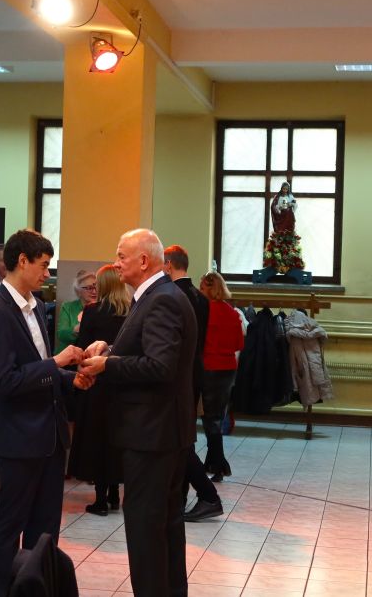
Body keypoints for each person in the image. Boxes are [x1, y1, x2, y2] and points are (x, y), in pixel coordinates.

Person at [80, 228, 197, 597]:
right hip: (162, 431)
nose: (116, 263)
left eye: (121, 256)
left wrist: (108, 365)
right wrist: (110, 349)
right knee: (164, 526)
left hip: (153, 434)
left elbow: (160, 366)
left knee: (147, 529)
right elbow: (147, 350)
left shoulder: (161, 300)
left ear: (143, 261)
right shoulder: (156, 295)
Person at [0, 229, 93, 597]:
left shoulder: (36, 305)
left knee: (45, 531)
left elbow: (39, 369)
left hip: (50, 435)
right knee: (9, 527)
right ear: (22, 261)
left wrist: (70, 379)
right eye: (43, 265)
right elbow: (5, 381)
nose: (47, 273)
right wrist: (56, 363)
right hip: (21, 437)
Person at [163, 245, 223, 522]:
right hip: (195, 372)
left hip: (178, 376)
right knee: (183, 436)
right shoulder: (200, 297)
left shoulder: (172, 295)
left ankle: (207, 495)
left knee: (179, 440)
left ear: (168, 264)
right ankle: (181, 497)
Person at [68, 264, 129, 515]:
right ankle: (114, 494)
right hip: (121, 383)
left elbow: (84, 347)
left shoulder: (93, 311)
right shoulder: (131, 311)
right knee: (116, 439)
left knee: (97, 440)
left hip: (97, 384)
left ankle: (101, 499)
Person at [199, 271, 244, 482]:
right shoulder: (232, 313)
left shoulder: (203, 312)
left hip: (209, 367)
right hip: (228, 369)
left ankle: (219, 465)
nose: (199, 291)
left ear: (209, 289)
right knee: (217, 416)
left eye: (201, 288)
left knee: (209, 419)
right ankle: (212, 462)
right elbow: (238, 344)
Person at [55, 269, 97, 353]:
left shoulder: (103, 308)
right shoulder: (68, 307)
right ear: (78, 291)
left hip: (93, 355)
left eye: (96, 287)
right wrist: (78, 328)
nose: (94, 291)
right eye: (89, 288)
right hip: (68, 355)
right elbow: (61, 334)